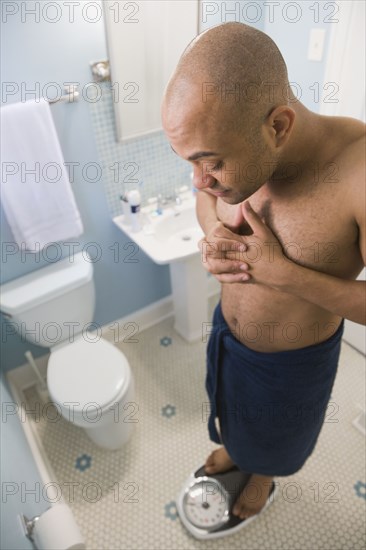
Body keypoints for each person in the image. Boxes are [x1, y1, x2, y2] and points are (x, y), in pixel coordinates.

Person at [161, 22, 365, 521]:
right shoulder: (233, 148)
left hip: (292, 366)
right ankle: (237, 452)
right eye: (190, 162)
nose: (199, 178)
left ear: (277, 127)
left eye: (210, 162)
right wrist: (213, 233)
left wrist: (285, 274)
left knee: (276, 440)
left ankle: (263, 476)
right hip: (228, 335)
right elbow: (205, 196)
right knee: (230, 415)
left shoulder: (357, 174)